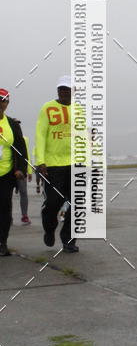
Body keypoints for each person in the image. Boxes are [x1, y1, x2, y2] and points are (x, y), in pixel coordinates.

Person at [36, 76, 81, 253]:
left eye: (67, 89)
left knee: (77, 203)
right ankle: (49, 228)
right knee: (54, 202)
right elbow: (40, 135)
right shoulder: (47, 108)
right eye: (61, 89)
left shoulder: (79, 110)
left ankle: (68, 239)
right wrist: (40, 161)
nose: (64, 92)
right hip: (53, 165)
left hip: (75, 164)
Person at [0, 88, 28, 256]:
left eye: (4, 100)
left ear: (7, 103)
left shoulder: (12, 124)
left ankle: (2, 242)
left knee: (4, 208)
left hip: (6, 174)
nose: (1, 102)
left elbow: (21, 149)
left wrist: (21, 169)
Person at [14, 134, 33, 224]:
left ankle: (24, 215)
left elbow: (27, 155)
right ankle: (8, 217)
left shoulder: (24, 139)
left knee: (23, 192)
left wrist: (29, 170)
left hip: (21, 169)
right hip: (7, 170)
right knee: (6, 194)